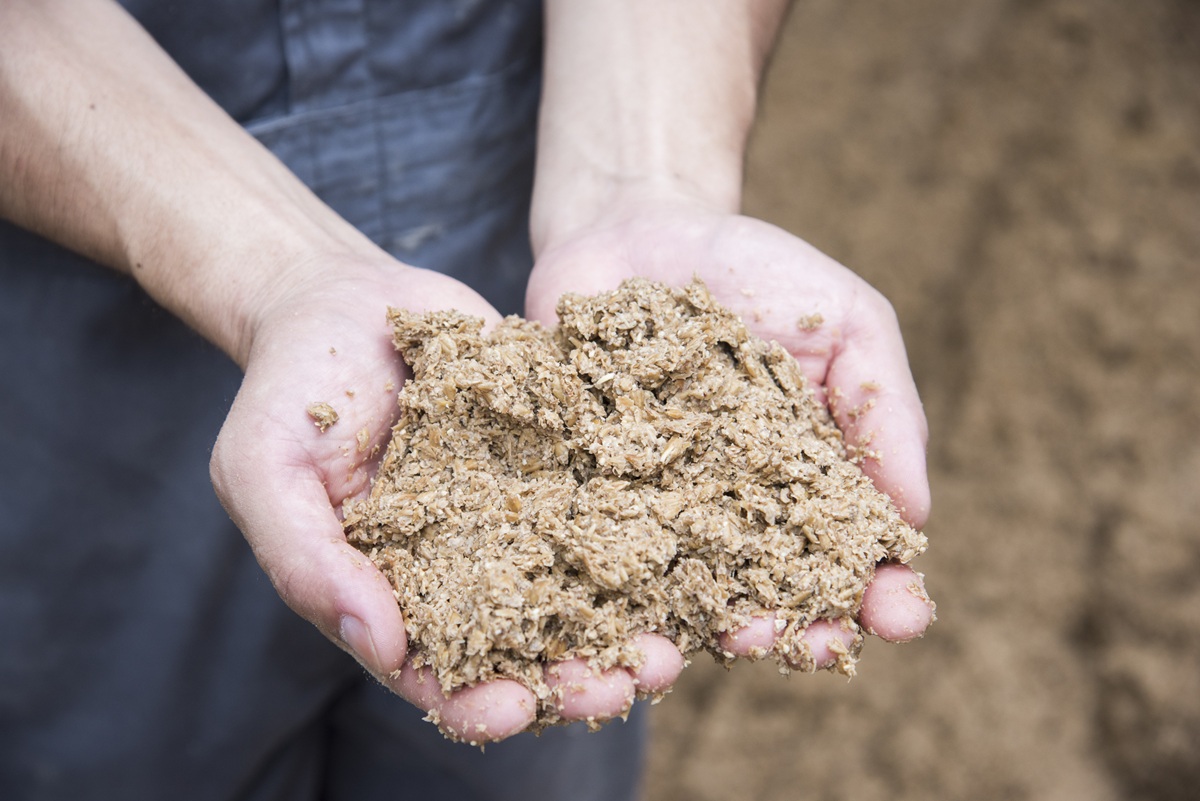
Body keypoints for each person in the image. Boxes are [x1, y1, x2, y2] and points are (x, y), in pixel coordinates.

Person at [0, 1, 934, 798]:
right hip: (84, 275)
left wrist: (643, 178)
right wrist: (280, 276)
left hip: (512, 157)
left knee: (531, 739)